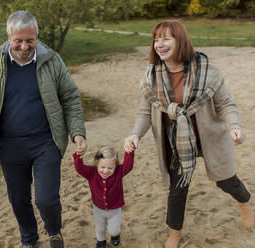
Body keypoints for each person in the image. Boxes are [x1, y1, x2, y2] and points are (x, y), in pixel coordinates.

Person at [0, 10, 87, 248]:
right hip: (11, 145)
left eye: (30, 40)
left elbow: (70, 97)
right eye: (19, 40)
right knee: (18, 199)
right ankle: (29, 238)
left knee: (46, 200)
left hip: (46, 142)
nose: (25, 46)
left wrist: (77, 131)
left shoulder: (52, 60)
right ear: (9, 37)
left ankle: (54, 231)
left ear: (36, 36)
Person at [124, 20, 254, 248]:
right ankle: (175, 232)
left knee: (227, 181)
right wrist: (135, 134)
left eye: (166, 38)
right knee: (178, 189)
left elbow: (225, 103)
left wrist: (235, 126)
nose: (159, 44)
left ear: (180, 40)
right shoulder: (151, 75)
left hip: (209, 137)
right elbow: (145, 112)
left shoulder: (206, 68)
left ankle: (245, 202)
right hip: (177, 142)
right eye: (156, 39)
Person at [73, 146, 134, 248]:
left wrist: (129, 152)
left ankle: (115, 236)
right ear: (97, 164)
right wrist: (78, 156)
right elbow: (79, 168)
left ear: (115, 166)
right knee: (100, 228)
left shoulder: (119, 173)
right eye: (102, 167)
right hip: (98, 209)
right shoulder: (91, 173)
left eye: (110, 168)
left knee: (114, 230)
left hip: (114, 210)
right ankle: (101, 242)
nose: (106, 171)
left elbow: (128, 166)